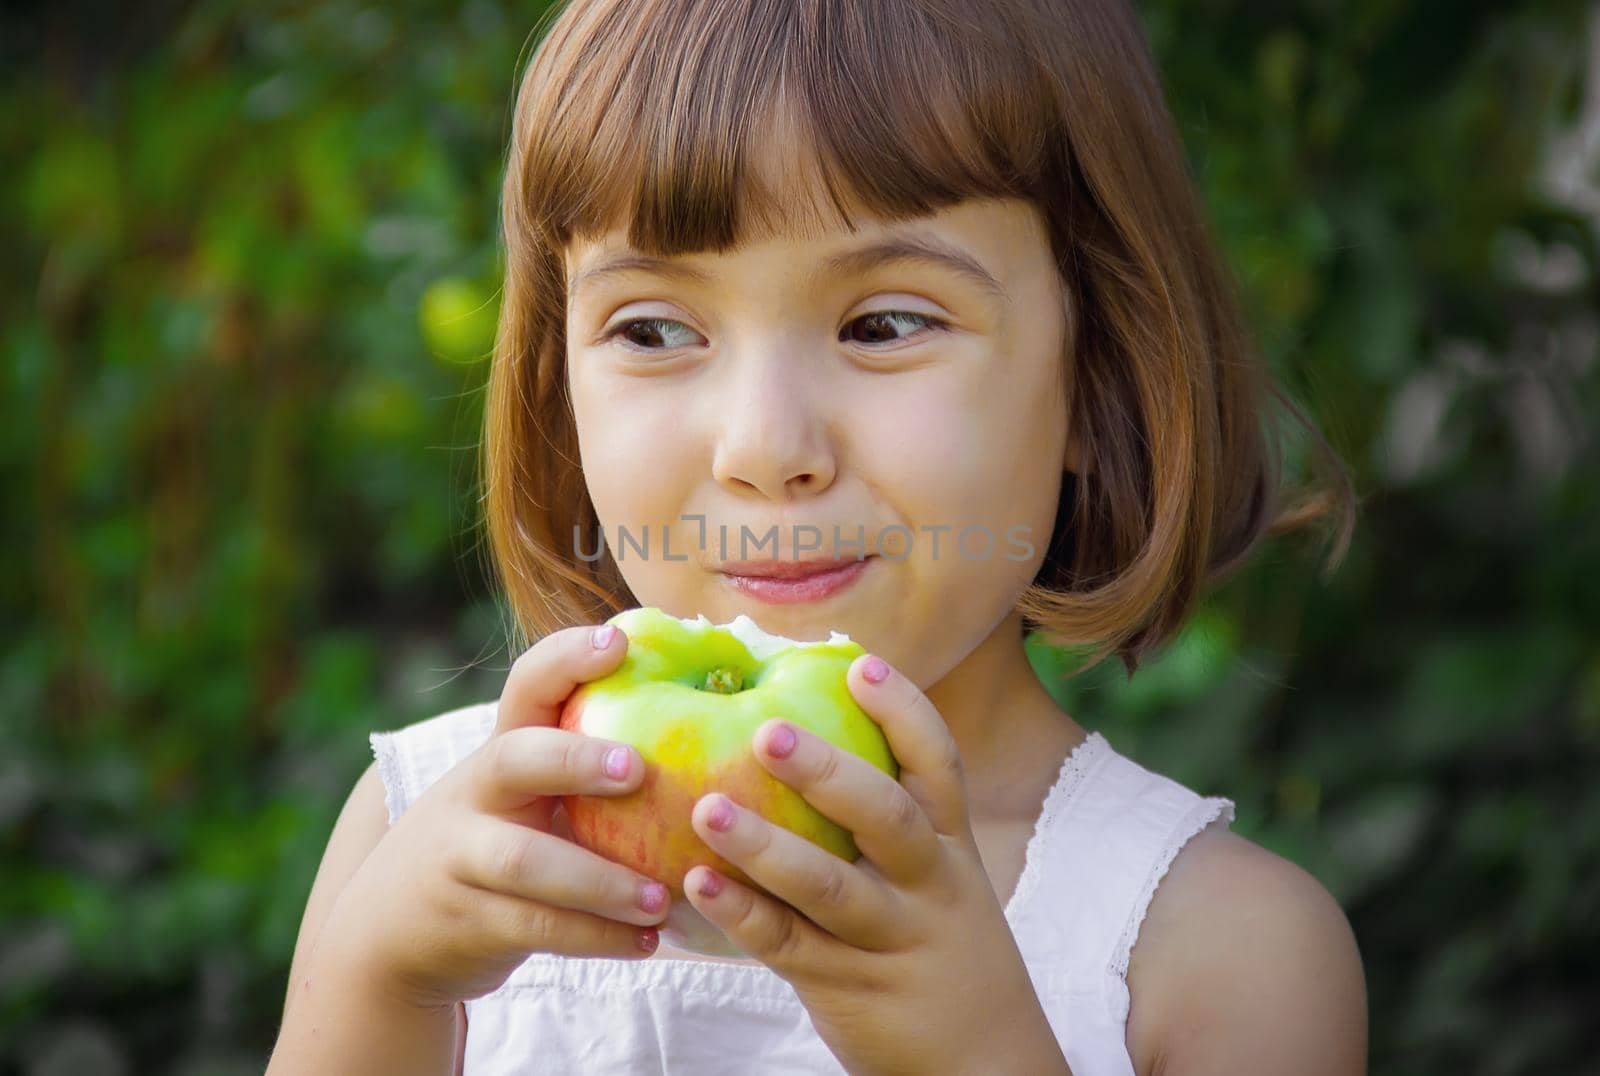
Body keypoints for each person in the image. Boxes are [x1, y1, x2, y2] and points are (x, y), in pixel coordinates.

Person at [267, 0, 1369, 1072]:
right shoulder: (424, 846)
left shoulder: (1221, 956)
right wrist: (382, 989)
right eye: (653, 328)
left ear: (1095, 382)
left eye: (884, 323)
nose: (763, 445)